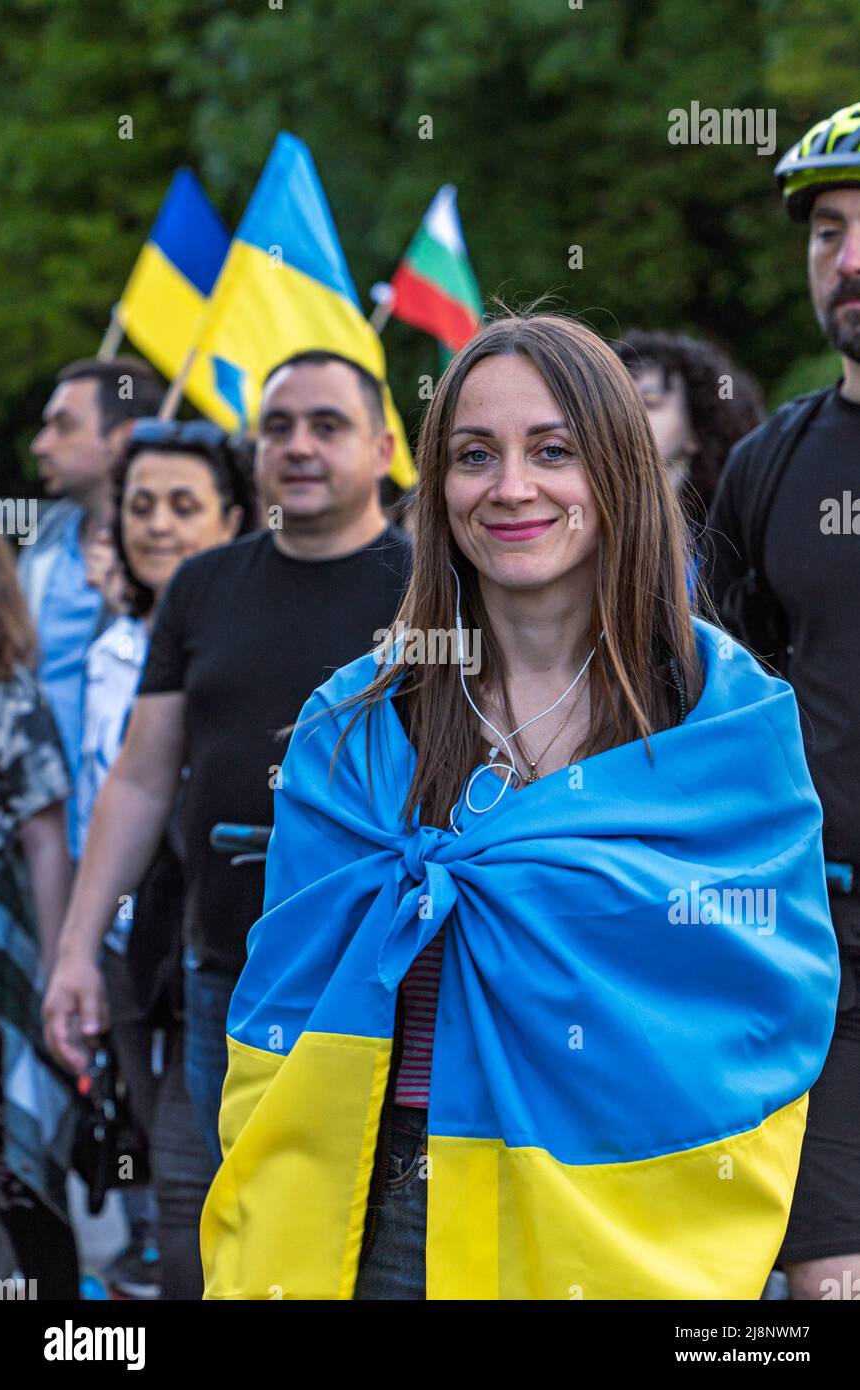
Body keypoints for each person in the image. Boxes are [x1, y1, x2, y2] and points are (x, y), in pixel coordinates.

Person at [200, 312, 839, 1301]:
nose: (509, 488)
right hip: (376, 1217)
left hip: (625, 1222)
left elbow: (774, 993)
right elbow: (280, 1004)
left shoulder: (722, 721)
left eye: (553, 451)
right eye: (471, 455)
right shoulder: (355, 723)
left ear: (619, 472)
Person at [44, 351, 412, 1172]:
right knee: (219, 1228)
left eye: (328, 425)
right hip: (226, 971)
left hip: (387, 977)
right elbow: (140, 780)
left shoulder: (431, 590)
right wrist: (75, 949)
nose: (299, 446)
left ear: (384, 449)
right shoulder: (201, 587)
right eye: (277, 427)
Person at [708, 101, 860, 1301]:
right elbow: (717, 709)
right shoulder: (767, 465)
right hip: (825, 956)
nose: (847, 260)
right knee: (823, 1284)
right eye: (825, 230)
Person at [74, 420, 253, 1300]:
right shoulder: (105, 642)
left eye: (185, 505)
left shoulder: (239, 637)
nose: (157, 525)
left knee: (203, 1190)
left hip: (211, 952)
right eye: (140, 505)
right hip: (126, 952)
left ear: (234, 519)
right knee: (158, 1177)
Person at [19, 357, 165, 858]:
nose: (41, 444)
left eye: (63, 426)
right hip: (43, 834)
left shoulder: (183, 556)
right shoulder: (42, 542)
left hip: (140, 840)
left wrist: (136, 611)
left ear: (122, 438)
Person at [0, 535, 78, 1299]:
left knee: (16, 1172)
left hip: (0, 965)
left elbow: (44, 836)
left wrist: (58, 970)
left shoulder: (10, 691)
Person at [612, 330, 764, 519]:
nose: (629, 416)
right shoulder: (592, 520)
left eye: (650, 402)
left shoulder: (734, 525)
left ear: (696, 432)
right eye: (619, 404)